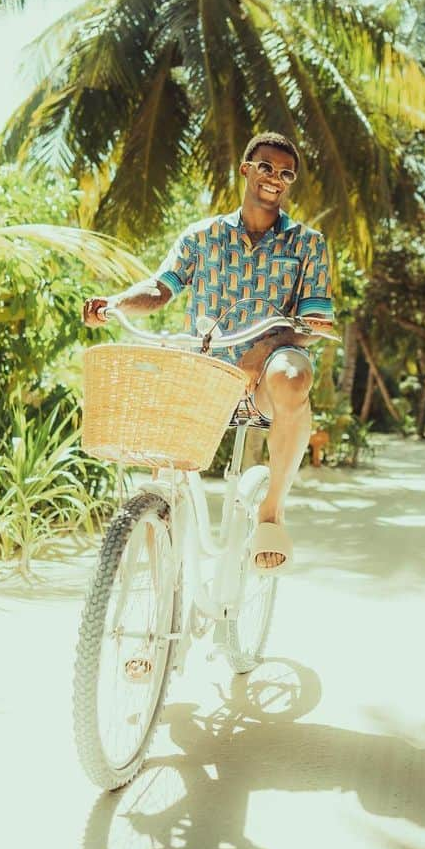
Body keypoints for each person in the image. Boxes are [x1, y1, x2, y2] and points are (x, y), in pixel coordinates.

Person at [82, 132, 333, 574]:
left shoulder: (307, 244)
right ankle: (160, 596)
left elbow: (314, 324)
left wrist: (265, 349)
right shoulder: (203, 236)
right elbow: (161, 288)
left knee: (292, 374)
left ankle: (271, 512)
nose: (275, 178)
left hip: (265, 381)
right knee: (163, 477)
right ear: (246, 169)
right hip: (205, 373)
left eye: (285, 173)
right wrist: (117, 302)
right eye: (266, 167)